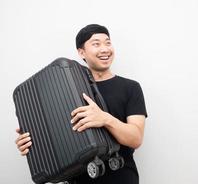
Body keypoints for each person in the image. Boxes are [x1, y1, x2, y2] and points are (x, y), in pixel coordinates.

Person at [15, 24, 147, 184]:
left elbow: (136, 138)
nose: (105, 49)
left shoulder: (130, 87)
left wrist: (105, 119)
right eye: (96, 44)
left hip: (121, 178)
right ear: (81, 52)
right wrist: (33, 143)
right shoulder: (64, 91)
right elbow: (59, 133)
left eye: (108, 42)